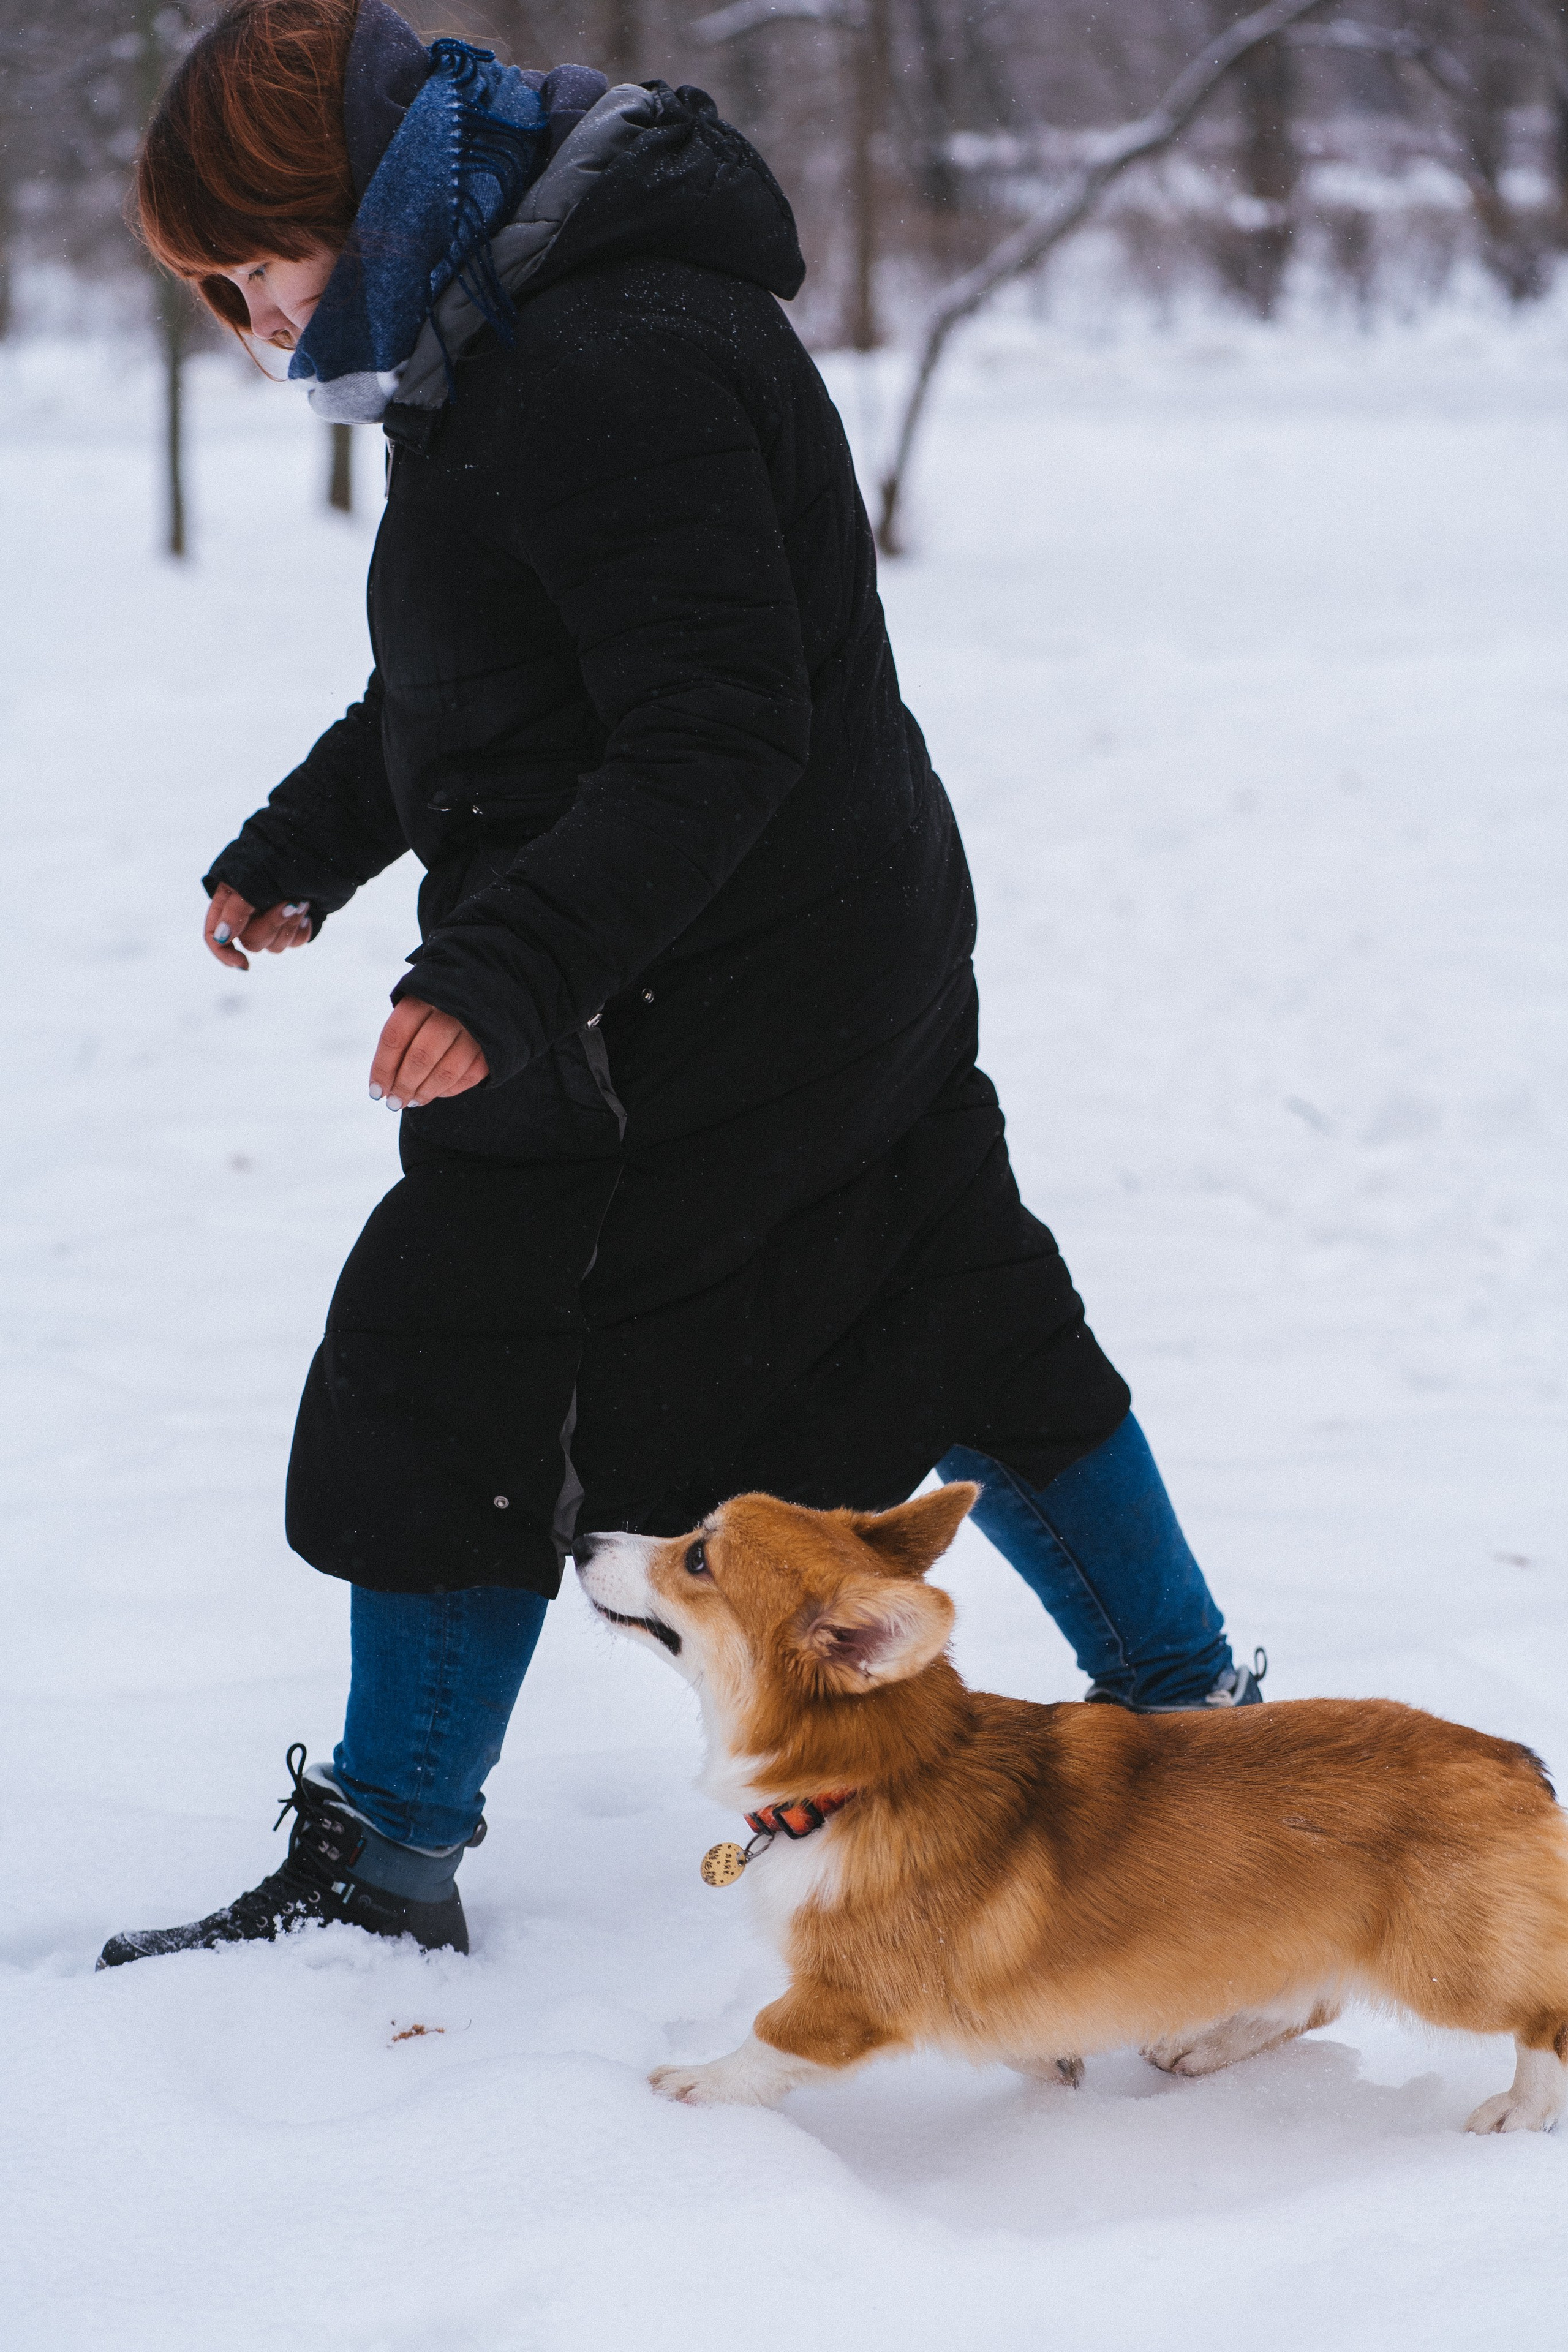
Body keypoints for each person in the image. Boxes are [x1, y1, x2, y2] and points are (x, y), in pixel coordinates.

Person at [99, 0, 1262, 1972]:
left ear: (360, 198)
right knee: (951, 1298)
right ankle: (1202, 1737)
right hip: (799, 941)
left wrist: (506, 971)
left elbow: (714, 724)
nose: (254, 323)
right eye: (216, 295)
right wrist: (304, 845)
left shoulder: (600, 358)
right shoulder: (506, 331)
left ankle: (386, 1860)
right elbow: (481, 681)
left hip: (705, 978)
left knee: (464, 1350)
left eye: (259, 266)